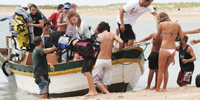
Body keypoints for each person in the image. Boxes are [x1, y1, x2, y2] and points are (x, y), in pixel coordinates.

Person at [154, 12, 183, 92]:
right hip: (172, 50)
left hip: (164, 48)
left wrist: (154, 38)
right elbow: (181, 36)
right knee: (166, 69)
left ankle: (157, 89)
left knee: (160, 70)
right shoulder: (177, 25)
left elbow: (157, 36)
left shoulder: (161, 24)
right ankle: (164, 88)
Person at [92, 21, 123, 94]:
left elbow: (93, 47)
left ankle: (107, 93)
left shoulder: (98, 36)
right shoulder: (112, 35)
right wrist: (119, 49)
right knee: (105, 82)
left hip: (100, 60)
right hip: (108, 60)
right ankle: (105, 95)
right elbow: (121, 42)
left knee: (96, 80)